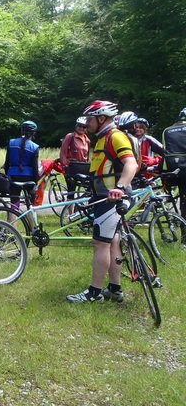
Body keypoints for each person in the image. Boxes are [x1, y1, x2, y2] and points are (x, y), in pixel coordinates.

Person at [67, 100, 137, 303]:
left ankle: (94, 293)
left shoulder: (115, 137)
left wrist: (120, 187)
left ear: (101, 118)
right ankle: (115, 289)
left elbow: (130, 164)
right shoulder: (101, 138)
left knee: (100, 243)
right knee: (112, 242)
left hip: (112, 198)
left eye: (90, 119)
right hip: (102, 197)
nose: (87, 123)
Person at [3, 121, 40, 209]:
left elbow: (6, 163)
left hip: (13, 175)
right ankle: (32, 223)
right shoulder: (34, 147)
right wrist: (35, 183)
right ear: (33, 133)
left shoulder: (11, 143)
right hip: (28, 176)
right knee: (31, 205)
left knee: (14, 205)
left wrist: (8, 175)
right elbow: (35, 168)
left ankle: (11, 222)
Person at [60, 117, 91, 203]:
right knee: (71, 191)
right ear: (76, 126)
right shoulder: (70, 136)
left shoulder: (87, 140)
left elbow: (87, 155)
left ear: (86, 128)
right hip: (72, 166)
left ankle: (87, 208)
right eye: (79, 126)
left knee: (90, 189)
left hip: (83, 166)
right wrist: (65, 167)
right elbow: (63, 152)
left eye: (84, 127)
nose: (81, 128)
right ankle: (70, 214)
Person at [162, 108, 186, 217]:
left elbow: (164, 151)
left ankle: (183, 225)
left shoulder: (167, 130)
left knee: (183, 195)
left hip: (173, 170)